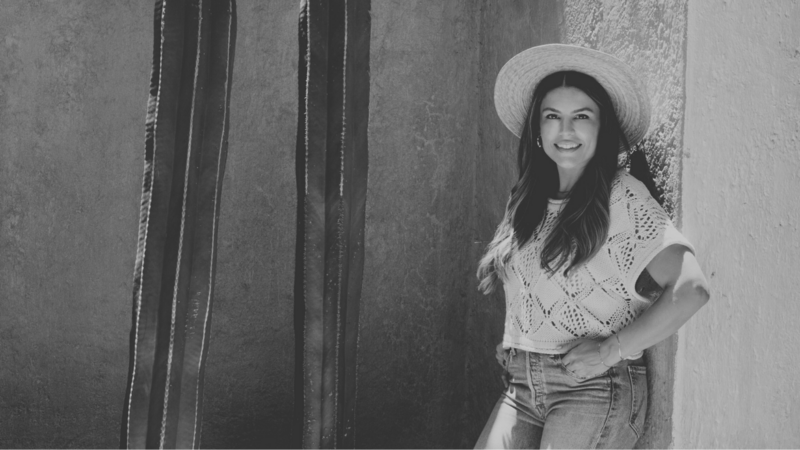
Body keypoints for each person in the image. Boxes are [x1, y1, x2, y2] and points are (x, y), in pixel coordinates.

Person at [473, 44, 711, 449]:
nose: (566, 131)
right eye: (552, 116)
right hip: (522, 387)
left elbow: (692, 289)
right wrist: (521, 341)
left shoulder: (622, 197)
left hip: (593, 388)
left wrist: (609, 351)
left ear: (602, 129)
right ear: (537, 130)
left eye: (581, 116)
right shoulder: (526, 199)